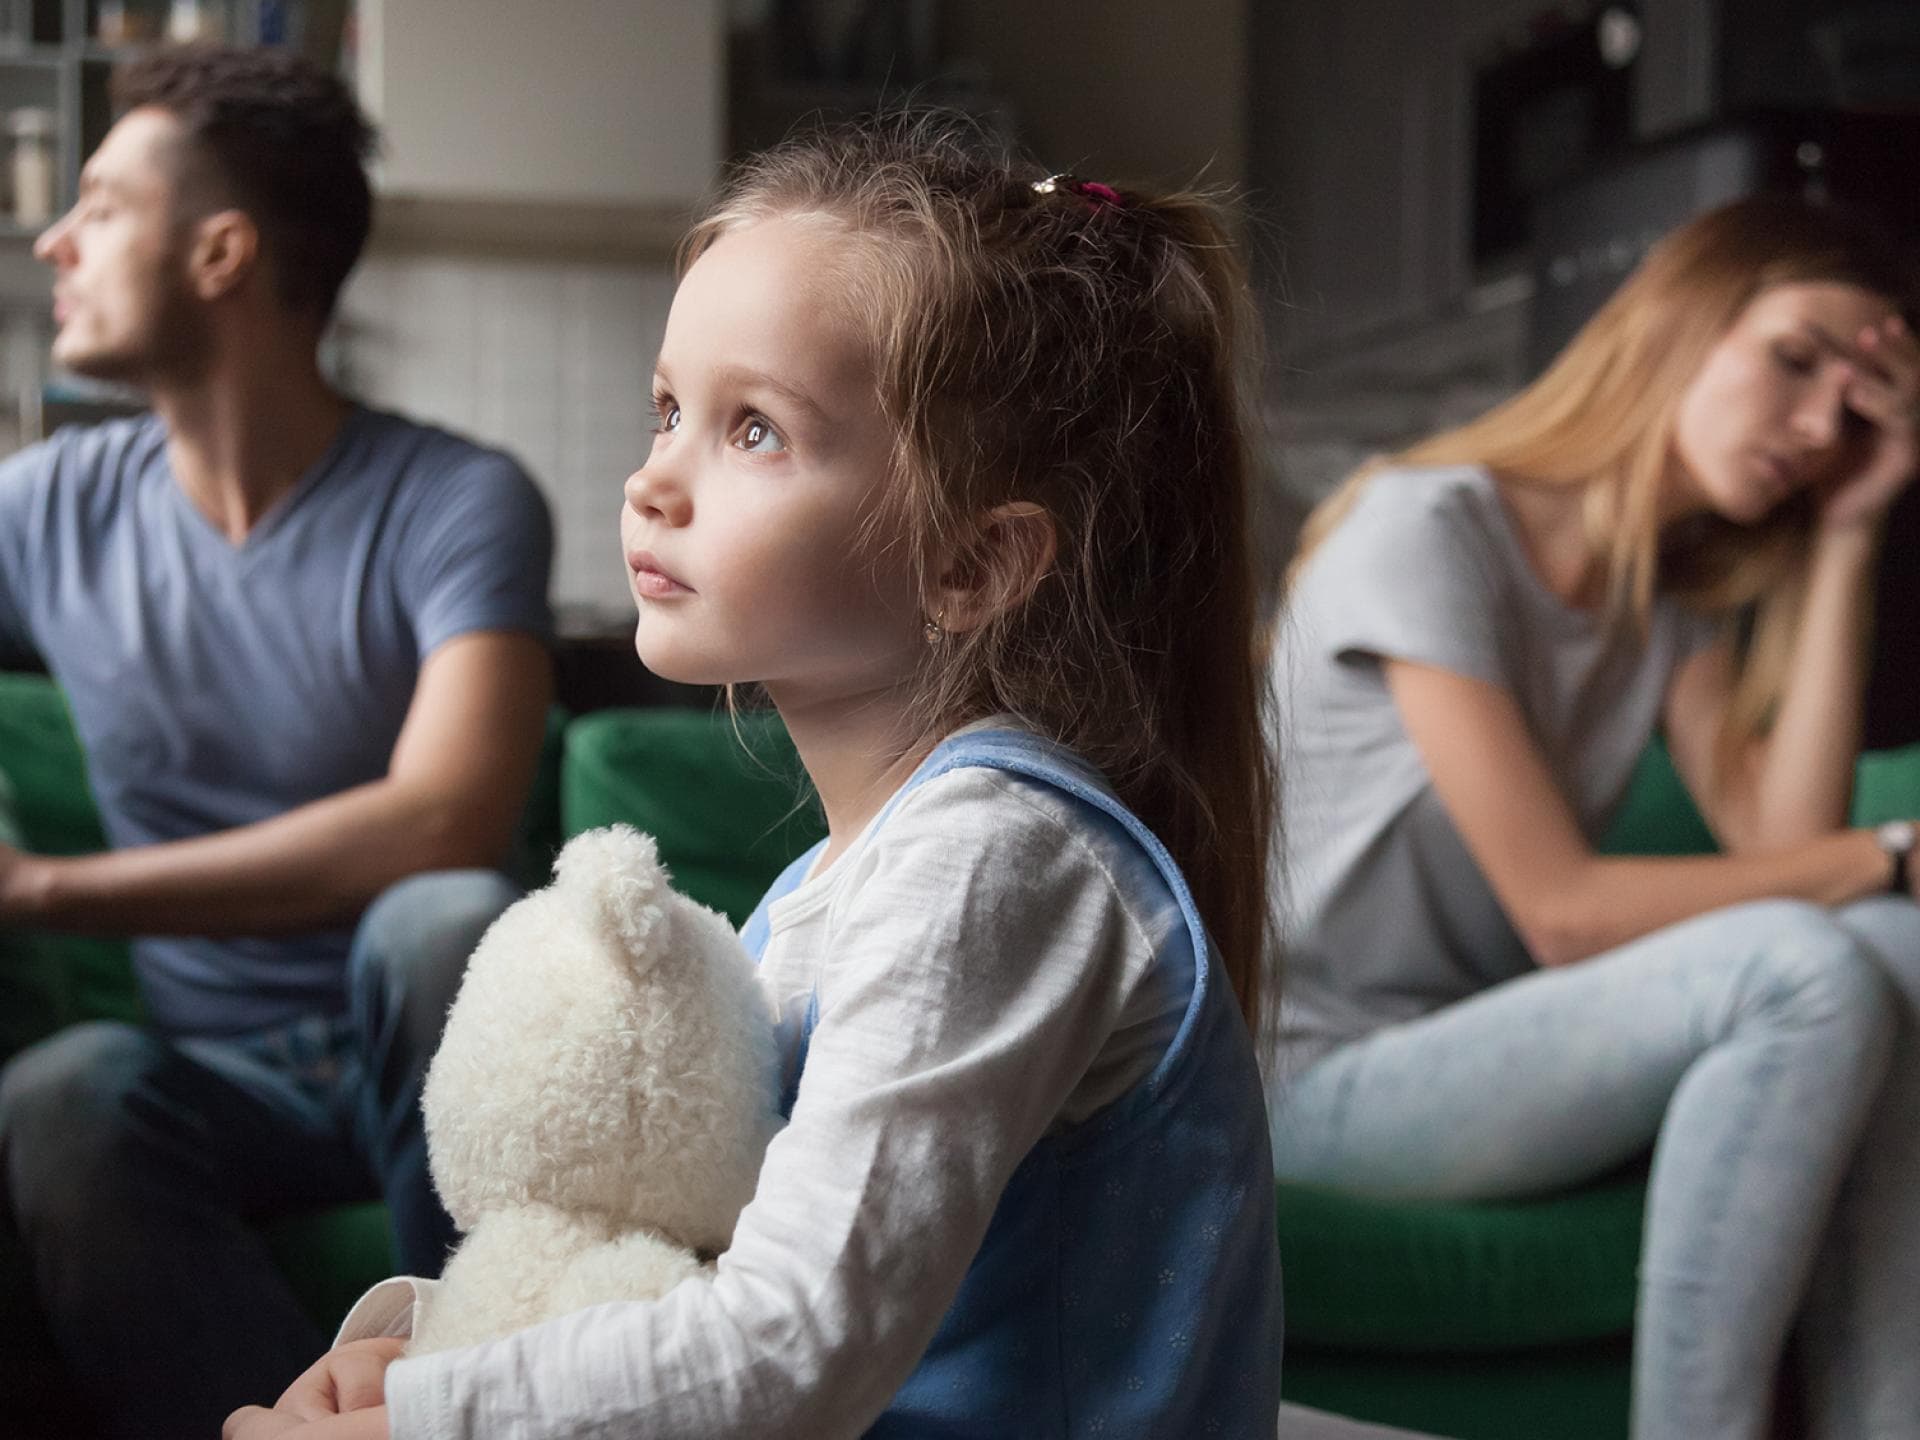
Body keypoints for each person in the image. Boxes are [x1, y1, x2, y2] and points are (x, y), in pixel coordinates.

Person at [222, 112, 1280, 1440]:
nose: (654, 479)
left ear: (972, 565)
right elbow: (705, 1284)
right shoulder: (829, 890)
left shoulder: (992, 864)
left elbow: (790, 1350)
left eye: (756, 431)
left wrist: (423, 1424)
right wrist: (416, 1352)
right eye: (669, 409)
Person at [1265, 194, 1920, 1440]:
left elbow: (1782, 853)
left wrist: (1849, 529)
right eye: (1794, 359)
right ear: (1680, 323)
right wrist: (1886, 854)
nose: (1818, 426)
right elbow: (1564, 915)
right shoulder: (1428, 527)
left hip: (1468, 1062)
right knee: (1812, 960)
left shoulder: (1665, 614)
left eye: (1855, 409)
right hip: (1296, 1074)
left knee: (1899, 950)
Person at [0, 44, 554, 1439]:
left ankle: (465, 1397)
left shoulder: (458, 500)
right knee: (66, 1092)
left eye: (104, 205)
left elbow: (443, 822)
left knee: (442, 918)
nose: (54, 238)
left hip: (417, 1048)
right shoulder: (48, 509)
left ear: (223, 251)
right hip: (218, 1081)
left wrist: (46, 888)